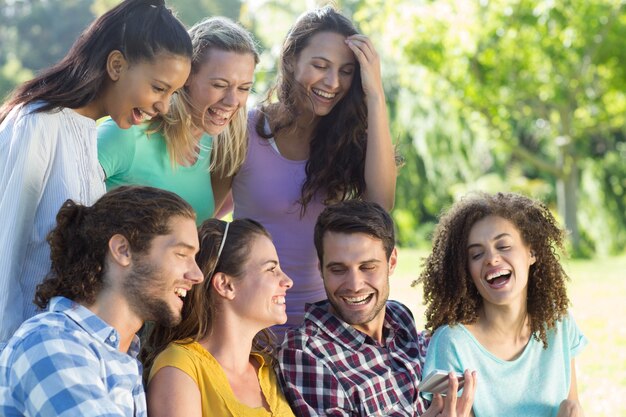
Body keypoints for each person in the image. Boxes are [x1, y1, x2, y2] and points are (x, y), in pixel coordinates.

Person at [0, 0, 193, 344]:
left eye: (173, 94)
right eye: (159, 88)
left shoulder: (88, 137)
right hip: (20, 356)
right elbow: (4, 245)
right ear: (117, 65)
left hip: (64, 352)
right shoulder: (37, 124)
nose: (164, 106)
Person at [219, 6, 397, 332]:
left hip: (324, 327)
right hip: (249, 323)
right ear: (291, 61)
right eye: (320, 65)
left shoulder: (351, 142)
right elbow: (210, 218)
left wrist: (375, 95)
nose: (333, 82)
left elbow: (379, 207)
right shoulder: (243, 129)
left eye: (346, 71)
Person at [0, 185, 204, 417]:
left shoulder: (123, 360)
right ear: (122, 250)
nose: (197, 275)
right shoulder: (51, 342)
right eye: (181, 254)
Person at [278, 200, 476, 417]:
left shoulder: (399, 317)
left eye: (368, 267)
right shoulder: (306, 352)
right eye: (338, 269)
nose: (354, 285)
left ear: (391, 262)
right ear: (321, 269)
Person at [419, 192, 587, 417]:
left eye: (504, 246)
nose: (491, 258)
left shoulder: (559, 324)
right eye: (477, 254)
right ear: (466, 271)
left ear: (532, 252)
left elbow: (571, 404)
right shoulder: (451, 344)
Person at [98, 17, 258, 224]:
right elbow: (59, 207)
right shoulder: (126, 135)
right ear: (186, 76)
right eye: (219, 85)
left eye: (244, 88)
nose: (232, 101)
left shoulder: (217, 149)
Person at [143, 218, 296, 417]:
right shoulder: (179, 367)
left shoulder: (270, 368)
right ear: (226, 285)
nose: (288, 281)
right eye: (271, 269)